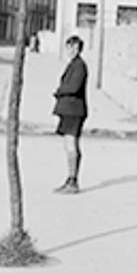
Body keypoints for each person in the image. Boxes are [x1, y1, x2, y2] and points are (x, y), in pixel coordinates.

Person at [52, 35, 88, 193]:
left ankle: (72, 180)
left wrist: (59, 91)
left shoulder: (80, 66)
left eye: (75, 47)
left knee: (71, 144)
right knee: (69, 145)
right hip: (69, 110)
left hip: (74, 110)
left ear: (79, 49)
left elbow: (73, 87)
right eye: (69, 47)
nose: (72, 50)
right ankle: (70, 179)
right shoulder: (73, 64)